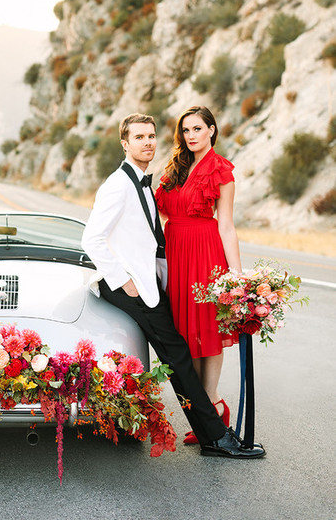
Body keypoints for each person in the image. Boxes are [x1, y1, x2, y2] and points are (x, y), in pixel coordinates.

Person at [82, 112, 264, 458]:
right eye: (139, 137)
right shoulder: (119, 184)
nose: (148, 142)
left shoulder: (140, 181)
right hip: (132, 286)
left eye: (151, 136)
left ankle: (212, 433)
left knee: (179, 355)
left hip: (155, 279)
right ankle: (216, 437)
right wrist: (125, 282)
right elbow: (91, 239)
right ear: (125, 143)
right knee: (178, 356)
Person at [155, 105, 241, 445]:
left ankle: (211, 402)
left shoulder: (221, 170)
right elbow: (159, 215)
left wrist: (237, 277)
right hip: (176, 253)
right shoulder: (175, 167)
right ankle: (210, 408)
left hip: (206, 253)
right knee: (183, 332)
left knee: (206, 327)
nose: (191, 135)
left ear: (211, 130)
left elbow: (227, 225)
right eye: (186, 130)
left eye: (197, 129)